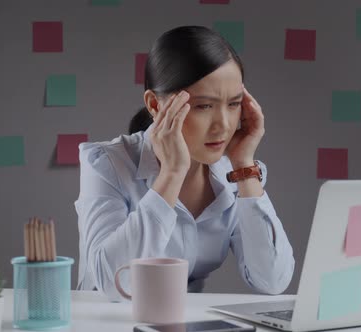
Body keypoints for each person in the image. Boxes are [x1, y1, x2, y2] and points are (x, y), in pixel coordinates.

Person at [75, 25, 295, 301]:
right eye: (204, 106)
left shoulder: (234, 175)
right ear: (155, 105)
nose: (224, 125)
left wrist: (243, 164)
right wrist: (171, 174)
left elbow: (272, 280)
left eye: (234, 104)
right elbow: (114, 287)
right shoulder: (107, 164)